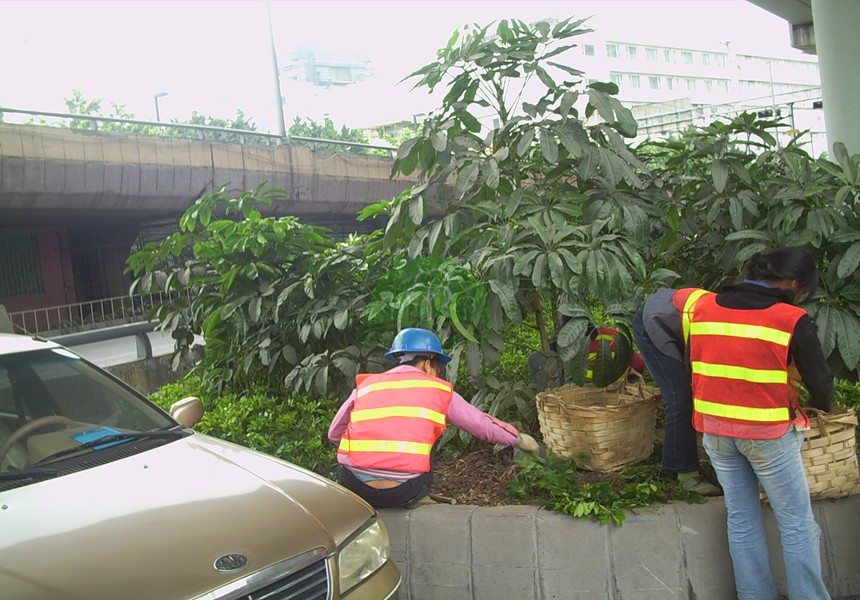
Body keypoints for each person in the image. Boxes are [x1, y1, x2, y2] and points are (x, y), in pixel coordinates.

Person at [686, 247, 833, 600]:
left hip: (715, 428)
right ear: (795, 283)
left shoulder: (704, 307)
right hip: (767, 434)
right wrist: (820, 406)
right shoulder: (790, 317)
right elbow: (821, 382)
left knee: (741, 517)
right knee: (797, 524)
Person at [329, 327, 540, 508]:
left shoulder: (366, 385)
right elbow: (481, 425)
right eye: (439, 368)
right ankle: (421, 495)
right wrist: (519, 439)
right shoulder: (438, 391)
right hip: (404, 491)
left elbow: (334, 433)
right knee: (431, 427)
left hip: (354, 486)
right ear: (428, 363)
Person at [632, 288, 722, 496]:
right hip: (655, 322)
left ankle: (675, 462)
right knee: (680, 398)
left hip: (678, 317)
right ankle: (684, 472)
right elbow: (699, 379)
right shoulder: (715, 330)